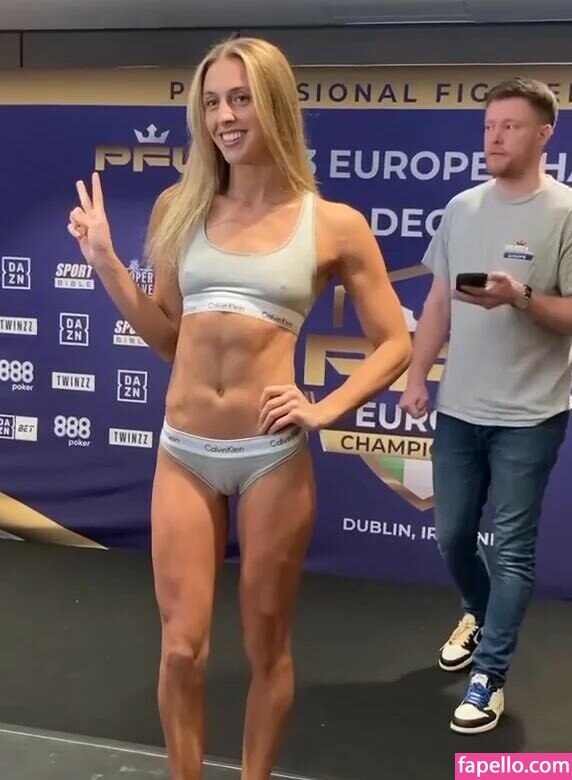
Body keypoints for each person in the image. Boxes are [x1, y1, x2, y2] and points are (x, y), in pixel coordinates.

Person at [68, 37, 412, 780]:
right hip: (183, 452)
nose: (224, 116)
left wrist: (325, 408)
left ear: (275, 104)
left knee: (266, 644)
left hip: (270, 459)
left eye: (240, 98)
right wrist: (105, 264)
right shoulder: (179, 206)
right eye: (212, 102)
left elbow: (395, 343)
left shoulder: (333, 223)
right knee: (180, 648)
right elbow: (169, 336)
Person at [400, 77, 572, 735]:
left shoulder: (565, 212)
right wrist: (417, 374)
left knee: (514, 550)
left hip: (531, 415)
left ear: (544, 134)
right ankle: (478, 610)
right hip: (460, 410)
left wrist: (520, 298)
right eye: (489, 126)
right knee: (451, 535)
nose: (494, 138)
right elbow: (437, 303)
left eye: (510, 126)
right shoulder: (462, 208)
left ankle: (489, 678)